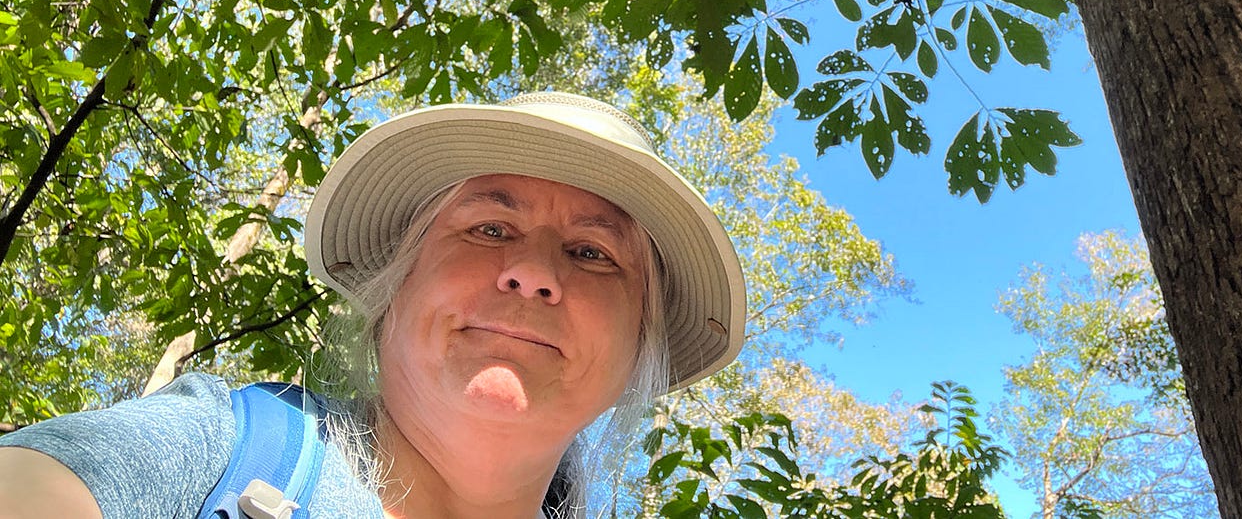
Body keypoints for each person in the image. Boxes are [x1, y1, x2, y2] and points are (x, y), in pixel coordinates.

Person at [0, 92, 746, 519]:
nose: (531, 273)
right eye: (490, 228)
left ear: (633, 352)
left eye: (592, 253)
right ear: (395, 291)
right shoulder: (217, 447)